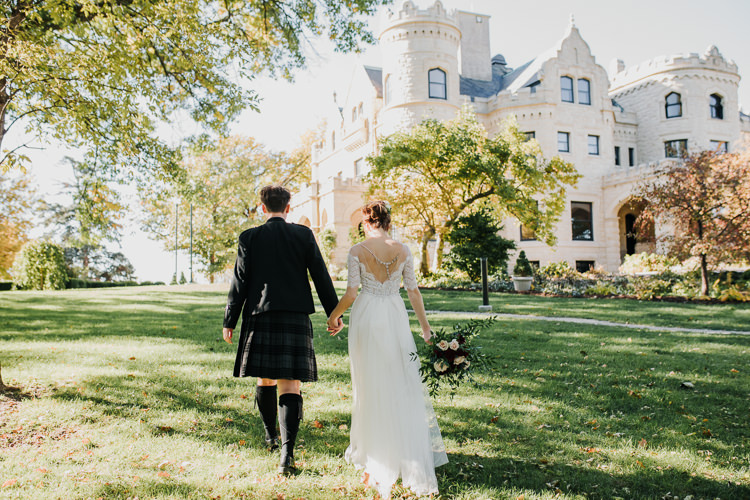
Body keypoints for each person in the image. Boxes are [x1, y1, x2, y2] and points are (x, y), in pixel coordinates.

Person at [326, 201, 448, 498]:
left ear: (366, 223)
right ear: (388, 223)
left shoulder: (357, 251)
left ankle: (374, 456)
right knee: (399, 383)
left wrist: (333, 314)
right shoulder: (403, 249)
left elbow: (352, 293)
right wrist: (426, 328)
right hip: (394, 316)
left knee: (368, 385)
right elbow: (413, 291)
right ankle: (397, 452)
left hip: (367, 316)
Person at [223, 184, 343, 475]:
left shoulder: (249, 237)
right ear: (288, 208)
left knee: (266, 380)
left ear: (263, 208)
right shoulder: (303, 235)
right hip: (294, 315)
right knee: (290, 384)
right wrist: (334, 313)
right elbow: (320, 275)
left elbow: (239, 281)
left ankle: (270, 435)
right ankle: (287, 457)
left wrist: (230, 320)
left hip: (260, 314)